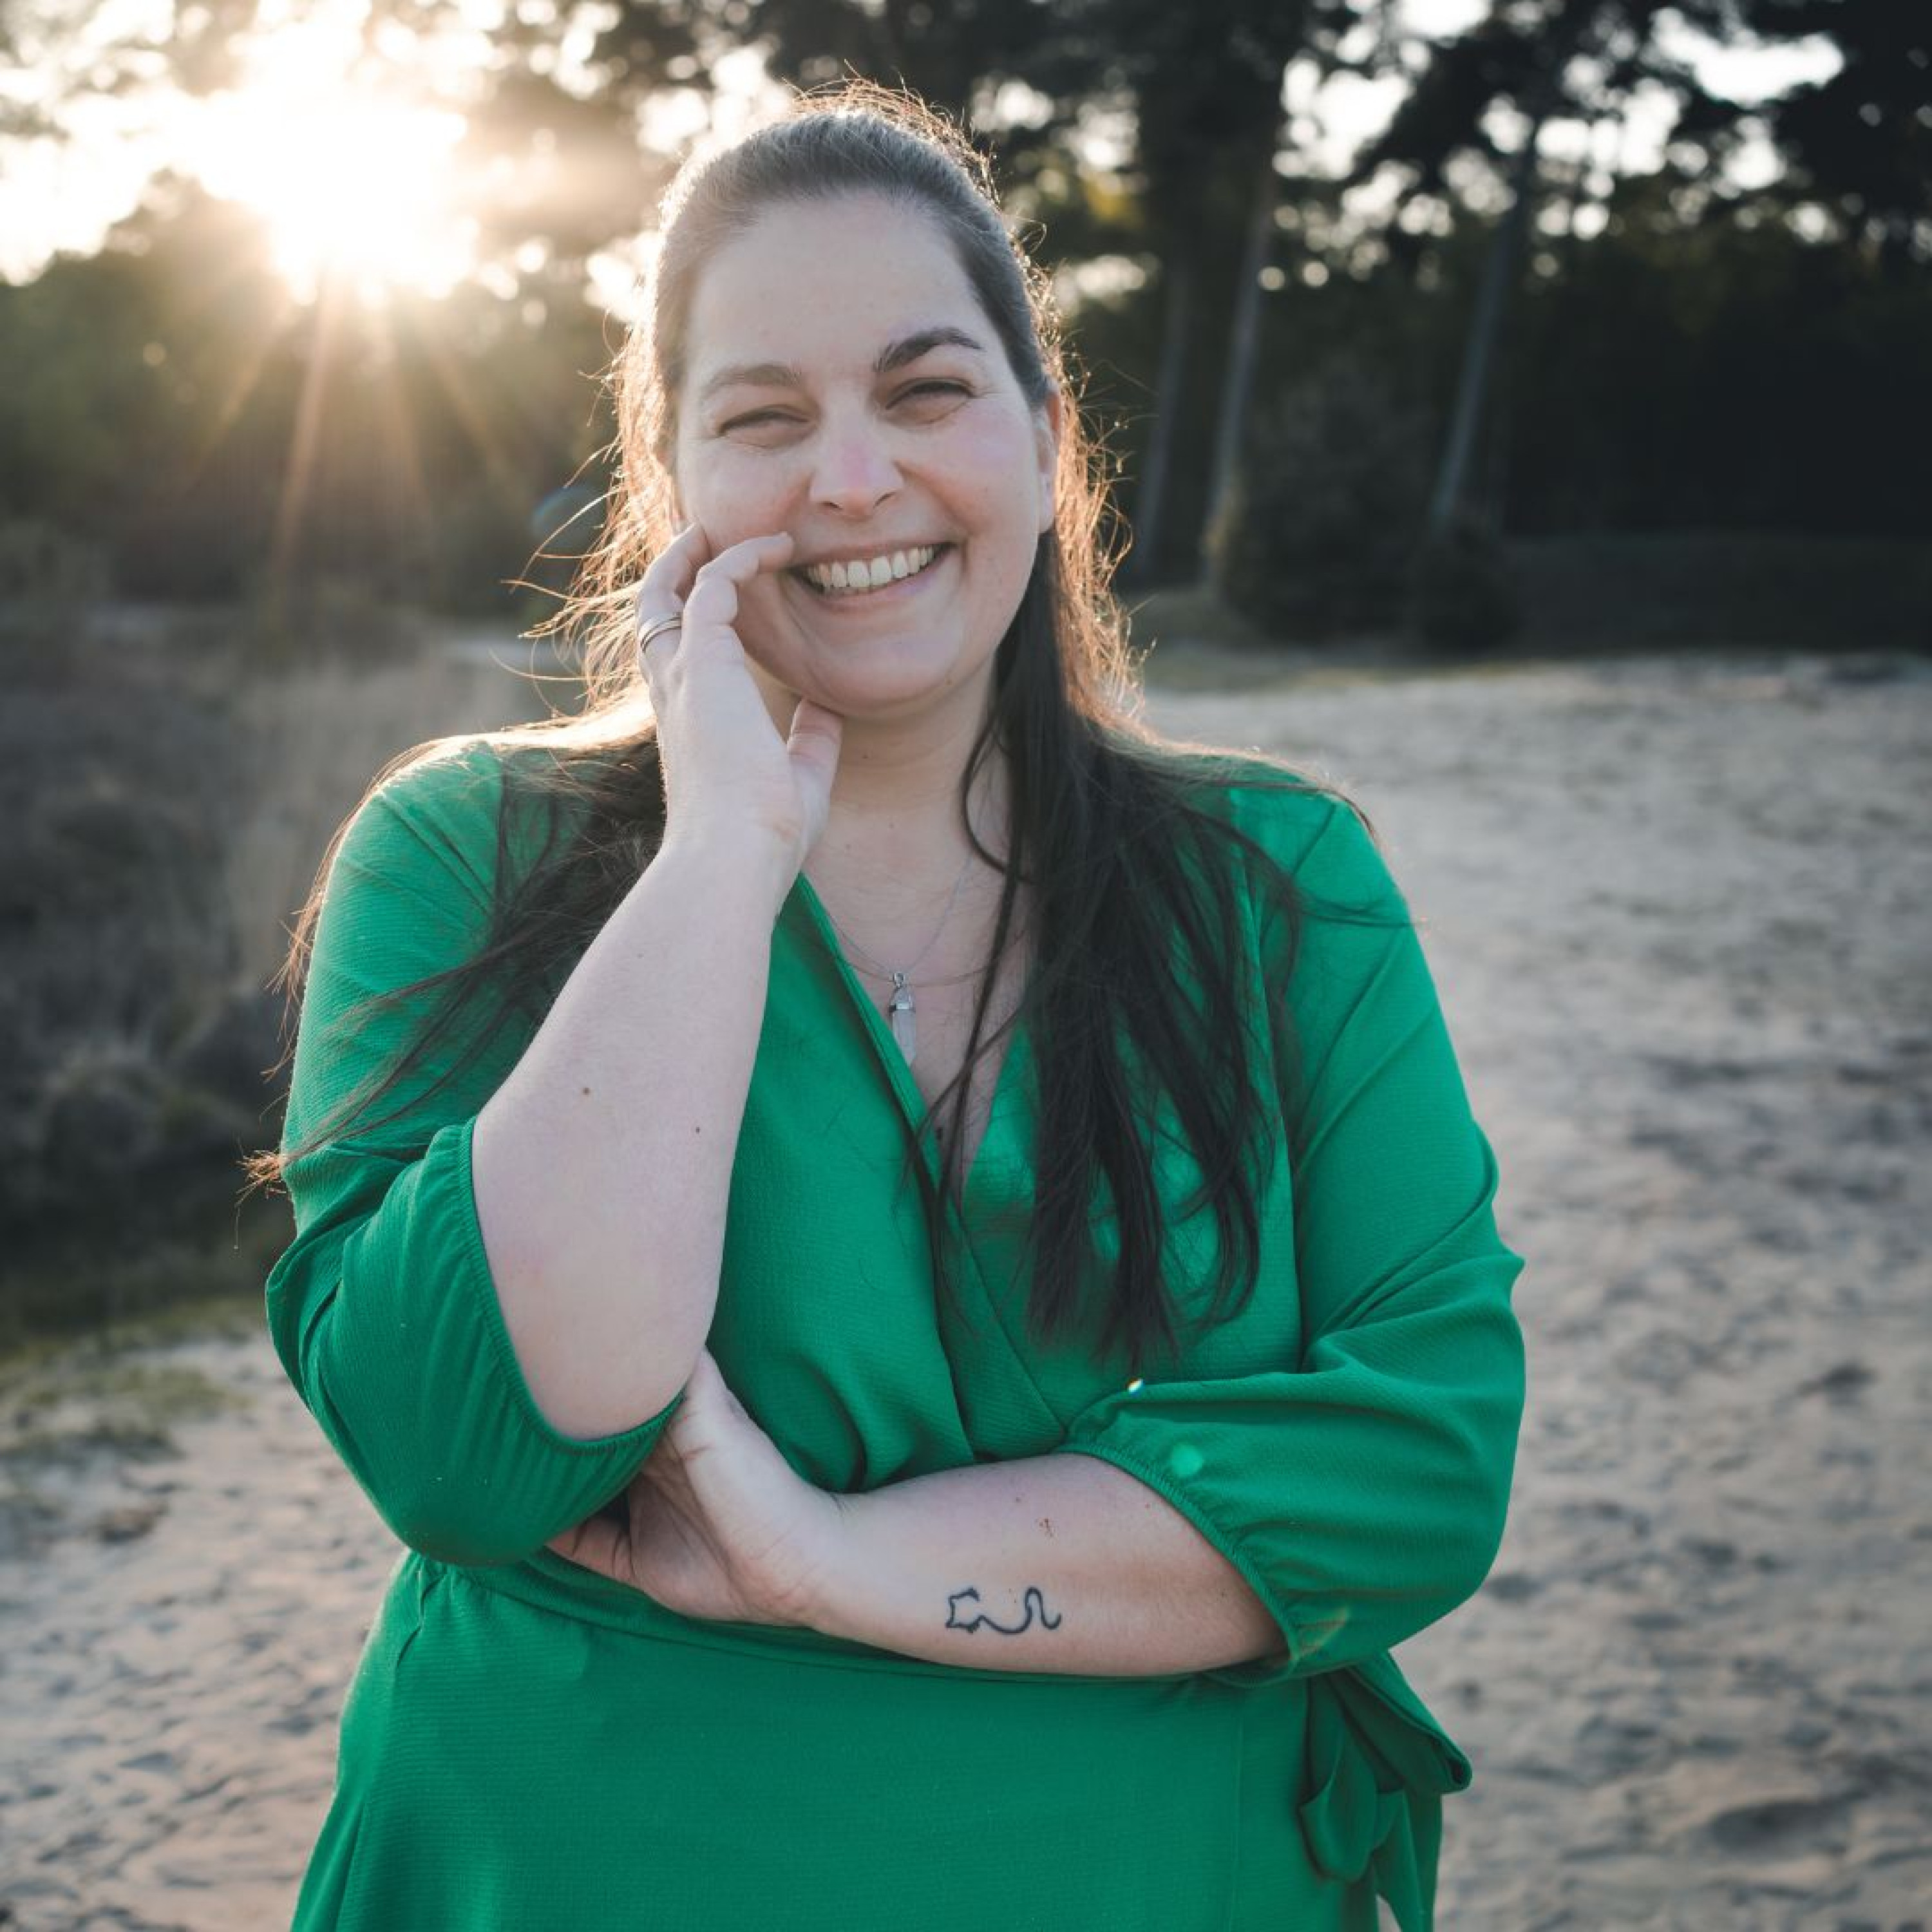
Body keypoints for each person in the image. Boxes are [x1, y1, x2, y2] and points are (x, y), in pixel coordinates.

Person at [256, 80, 1526, 1932]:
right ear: (671, 488)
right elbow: (473, 1444)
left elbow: (1421, 1465)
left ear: (1046, 437)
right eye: (764, 419)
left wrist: (830, 1561)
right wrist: (720, 858)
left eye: (926, 392)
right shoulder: (462, 855)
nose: (851, 480)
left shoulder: (1282, 884)